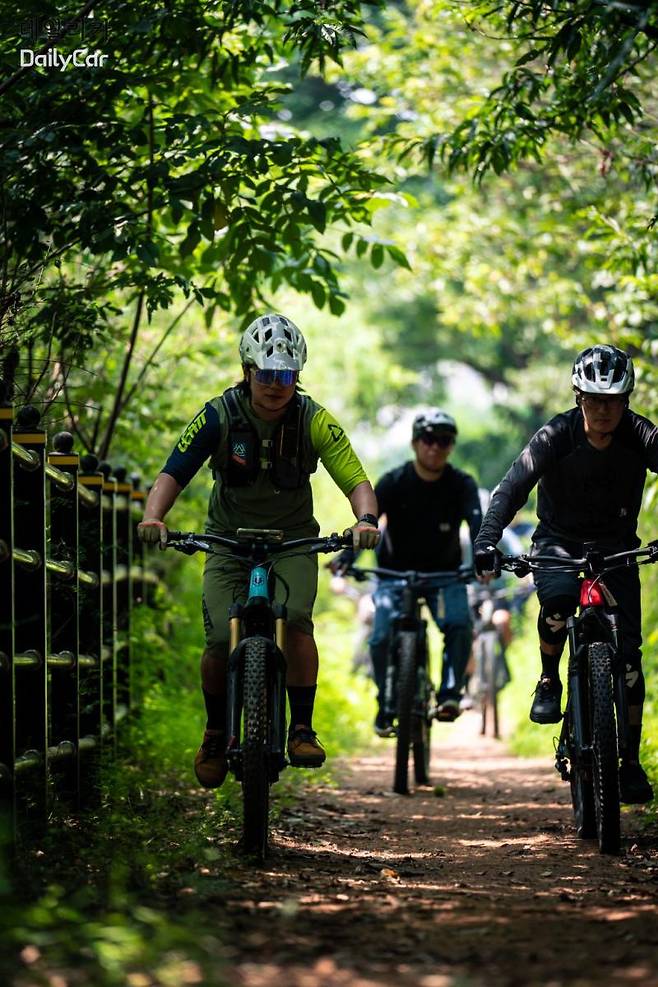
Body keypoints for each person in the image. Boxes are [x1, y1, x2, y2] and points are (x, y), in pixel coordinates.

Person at [137, 313, 380, 788]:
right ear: (248, 370)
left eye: (286, 376)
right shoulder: (219, 414)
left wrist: (365, 520)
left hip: (293, 540)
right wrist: (154, 517)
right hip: (227, 540)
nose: (276, 386)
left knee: (295, 620)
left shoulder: (313, 418)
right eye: (267, 375)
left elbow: (356, 479)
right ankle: (213, 733)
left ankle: (301, 728)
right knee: (214, 641)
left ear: (297, 376)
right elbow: (174, 472)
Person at [474, 344, 658, 803]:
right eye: (593, 400)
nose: (602, 410)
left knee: (630, 658)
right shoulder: (555, 435)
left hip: (616, 550)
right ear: (578, 398)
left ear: (626, 400)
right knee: (556, 604)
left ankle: (630, 763)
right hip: (557, 544)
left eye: (612, 400)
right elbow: (512, 486)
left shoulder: (641, 436)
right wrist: (486, 540)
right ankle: (549, 677)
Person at [335, 409, 482, 734]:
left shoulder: (461, 484)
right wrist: (347, 557)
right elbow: (368, 522)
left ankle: (449, 695)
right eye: (428, 439)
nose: (435, 447)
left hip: (445, 575)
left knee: (459, 624)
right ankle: (386, 700)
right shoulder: (393, 481)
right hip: (393, 574)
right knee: (380, 637)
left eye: (444, 440)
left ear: (451, 446)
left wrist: (483, 556)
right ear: (416, 444)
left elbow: (477, 527)